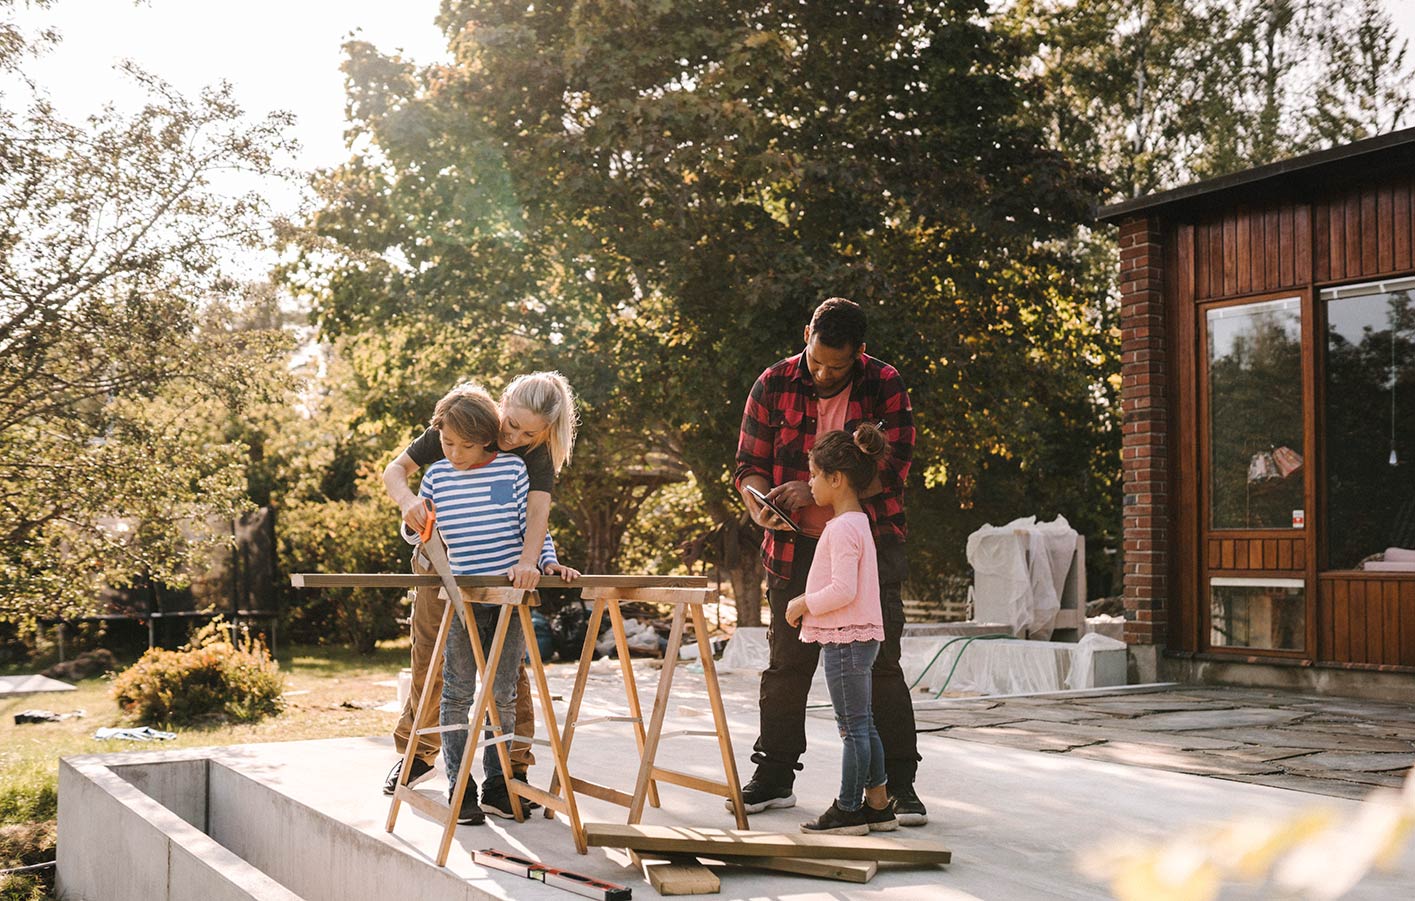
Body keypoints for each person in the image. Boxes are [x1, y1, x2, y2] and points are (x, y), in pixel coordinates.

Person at [731, 297, 927, 825]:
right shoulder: (772, 383)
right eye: (815, 360)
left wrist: (813, 494)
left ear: (859, 355)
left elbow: (895, 469)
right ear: (806, 335)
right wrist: (759, 503)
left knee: (880, 665)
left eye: (835, 367)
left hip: (870, 547)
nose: (821, 373)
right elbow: (749, 463)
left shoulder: (884, 384)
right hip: (793, 548)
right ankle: (774, 776)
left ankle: (900, 786)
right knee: (787, 665)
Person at [381, 372, 580, 819]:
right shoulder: (464, 427)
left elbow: (535, 515)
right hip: (443, 566)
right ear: (501, 405)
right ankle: (419, 751)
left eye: (529, 433)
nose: (513, 437)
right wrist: (409, 503)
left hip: (502, 570)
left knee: (508, 675)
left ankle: (510, 770)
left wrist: (533, 563)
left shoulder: (531, 453)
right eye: (510, 425)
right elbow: (395, 471)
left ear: (545, 433)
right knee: (432, 658)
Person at [784, 425, 898, 835]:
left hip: (845, 637)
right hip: (855, 636)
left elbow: (843, 589)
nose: (810, 483)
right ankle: (879, 804)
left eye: (814, 475)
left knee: (852, 729)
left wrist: (801, 603)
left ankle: (848, 809)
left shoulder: (842, 528)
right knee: (863, 723)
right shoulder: (857, 522)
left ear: (836, 478)